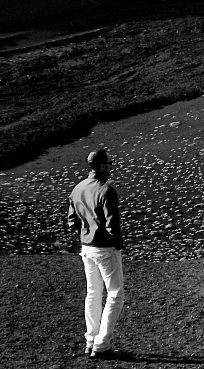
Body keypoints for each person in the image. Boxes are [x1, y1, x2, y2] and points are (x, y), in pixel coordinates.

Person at [67, 148, 125, 359]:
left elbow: (72, 221)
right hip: (105, 248)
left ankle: (90, 339)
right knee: (115, 294)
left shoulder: (77, 188)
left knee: (93, 292)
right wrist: (118, 244)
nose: (111, 167)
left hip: (86, 247)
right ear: (101, 166)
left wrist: (87, 231)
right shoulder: (106, 191)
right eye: (109, 164)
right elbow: (112, 225)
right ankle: (102, 344)